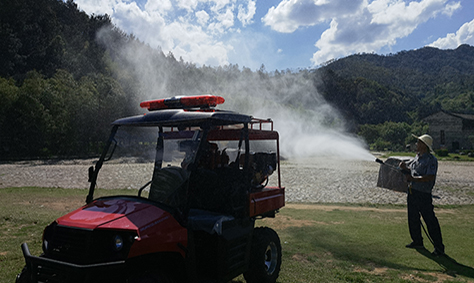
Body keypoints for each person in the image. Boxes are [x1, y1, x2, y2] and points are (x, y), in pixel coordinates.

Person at [399, 134, 445, 256]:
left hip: (423, 194)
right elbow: (412, 172)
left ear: (424, 145)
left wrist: (413, 178)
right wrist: (405, 168)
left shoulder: (431, 160)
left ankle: (439, 247)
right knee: (413, 218)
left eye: (419, 142)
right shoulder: (417, 158)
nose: (416, 144)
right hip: (412, 192)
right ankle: (417, 241)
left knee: (430, 220)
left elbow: (429, 177)